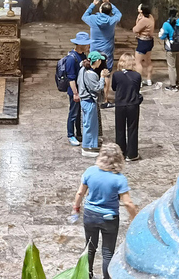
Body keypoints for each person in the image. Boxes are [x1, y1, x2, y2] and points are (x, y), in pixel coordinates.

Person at [71, 143, 139, 279]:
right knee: (108, 252)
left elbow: (80, 193)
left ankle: (87, 275)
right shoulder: (119, 179)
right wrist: (135, 217)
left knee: (89, 248)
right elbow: (128, 203)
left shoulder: (90, 171)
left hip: (90, 215)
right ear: (119, 158)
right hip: (109, 218)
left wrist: (76, 208)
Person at [82, 0, 122, 107]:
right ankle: (104, 100)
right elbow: (119, 14)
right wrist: (109, 3)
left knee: (93, 70)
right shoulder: (112, 20)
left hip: (94, 50)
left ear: (100, 9)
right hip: (107, 50)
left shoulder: (93, 19)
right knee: (106, 74)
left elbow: (84, 16)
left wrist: (93, 4)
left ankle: (93, 95)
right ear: (110, 11)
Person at [77, 51, 109, 158]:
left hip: (85, 100)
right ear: (98, 61)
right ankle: (87, 146)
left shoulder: (82, 69)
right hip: (89, 100)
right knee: (89, 125)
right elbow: (97, 88)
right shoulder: (91, 74)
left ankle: (92, 144)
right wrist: (102, 77)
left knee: (91, 124)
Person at [112, 53, 142, 161]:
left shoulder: (116, 75)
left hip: (120, 104)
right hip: (133, 105)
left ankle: (121, 152)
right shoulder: (137, 76)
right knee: (132, 129)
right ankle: (132, 153)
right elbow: (137, 89)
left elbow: (114, 88)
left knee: (119, 129)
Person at [65, 32, 92, 146]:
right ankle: (71, 134)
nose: (88, 46)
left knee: (79, 114)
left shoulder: (83, 56)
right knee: (73, 113)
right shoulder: (71, 59)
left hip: (82, 89)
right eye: (86, 44)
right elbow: (71, 78)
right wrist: (75, 93)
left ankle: (79, 133)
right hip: (75, 90)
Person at [158, 6, 179, 92]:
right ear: (177, 13)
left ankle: (173, 85)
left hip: (171, 48)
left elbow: (162, 36)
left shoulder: (166, 24)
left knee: (171, 66)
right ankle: (178, 82)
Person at [132, 4, 154, 86]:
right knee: (148, 61)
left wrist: (138, 20)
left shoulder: (144, 20)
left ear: (141, 11)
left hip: (143, 41)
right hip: (149, 41)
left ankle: (139, 81)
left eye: (139, 7)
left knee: (138, 62)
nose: (138, 7)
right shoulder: (150, 17)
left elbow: (135, 29)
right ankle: (149, 79)